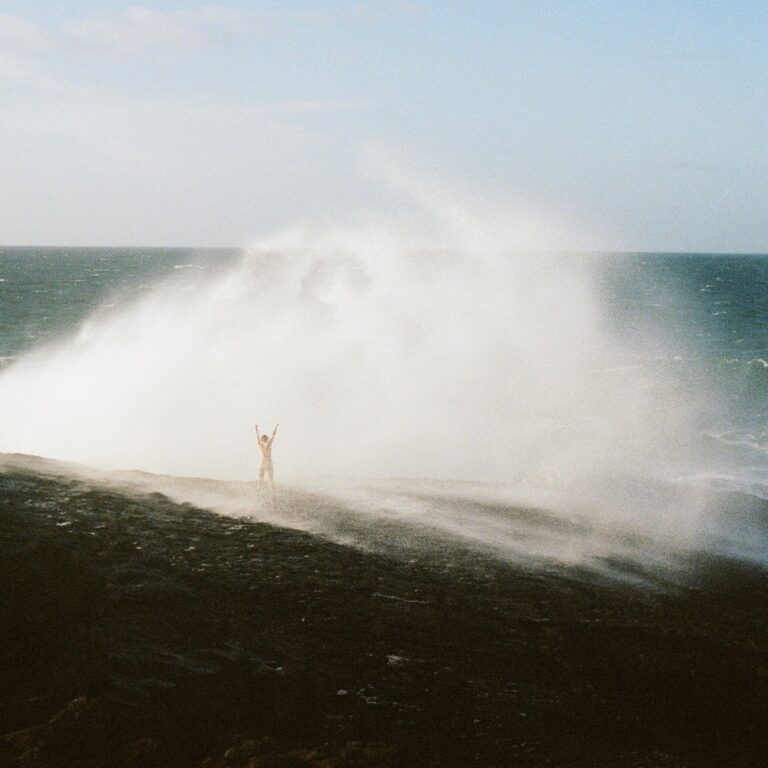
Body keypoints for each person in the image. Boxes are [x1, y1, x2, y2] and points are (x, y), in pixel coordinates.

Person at [255, 423, 278, 491]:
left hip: (262, 463)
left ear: (261, 439)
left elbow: (257, 437)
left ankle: (258, 490)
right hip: (268, 462)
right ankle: (272, 491)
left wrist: (256, 429)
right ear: (267, 439)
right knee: (270, 479)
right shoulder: (268, 443)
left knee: (260, 479)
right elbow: (273, 435)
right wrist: (276, 427)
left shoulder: (260, 444)